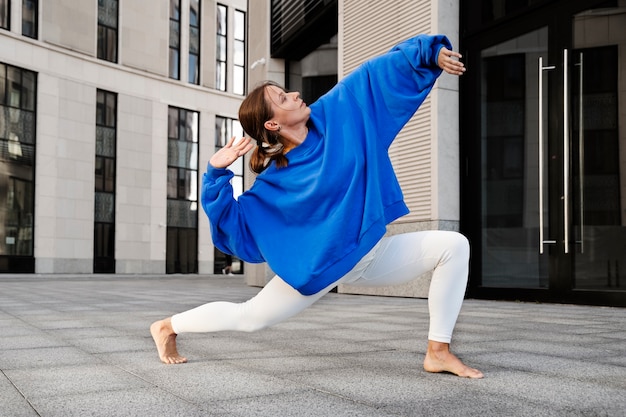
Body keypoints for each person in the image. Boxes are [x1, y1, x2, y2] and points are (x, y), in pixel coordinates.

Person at [151, 34, 483, 378]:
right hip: (322, 266)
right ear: (272, 124)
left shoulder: (339, 112)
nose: (295, 94)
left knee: (454, 246)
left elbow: (376, 72)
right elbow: (233, 229)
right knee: (249, 318)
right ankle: (167, 327)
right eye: (283, 97)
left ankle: (438, 352)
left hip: (370, 252)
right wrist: (216, 173)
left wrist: (430, 54)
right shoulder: (272, 184)